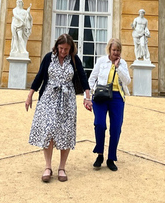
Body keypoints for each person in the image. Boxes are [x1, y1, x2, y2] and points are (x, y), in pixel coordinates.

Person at [25, 34, 92, 183]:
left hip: (67, 100)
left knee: (65, 132)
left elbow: (82, 77)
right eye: (61, 48)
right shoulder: (49, 57)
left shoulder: (74, 59)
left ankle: (62, 168)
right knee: (48, 129)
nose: (63, 52)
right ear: (57, 47)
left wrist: (88, 97)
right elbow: (40, 76)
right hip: (48, 97)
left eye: (66, 49)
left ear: (71, 49)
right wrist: (30, 95)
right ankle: (47, 167)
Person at [88, 38, 131, 172]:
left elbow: (127, 81)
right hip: (101, 95)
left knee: (116, 128)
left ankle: (111, 158)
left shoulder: (122, 63)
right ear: (109, 50)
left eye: (118, 50)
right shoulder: (101, 61)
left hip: (117, 97)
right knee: (100, 124)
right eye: (114, 50)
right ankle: (99, 154)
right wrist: (87, 97)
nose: (116, 53)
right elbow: (92, 78)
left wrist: (118, 67)